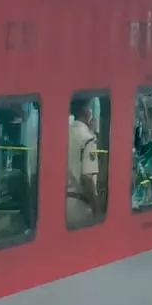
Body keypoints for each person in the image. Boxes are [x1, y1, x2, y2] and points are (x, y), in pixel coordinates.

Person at [66, 96, 103, 228]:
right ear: (86, 111)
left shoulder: (65, 133)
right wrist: (96, 208)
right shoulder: (88, 139)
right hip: (79, 206)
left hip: (60, 204)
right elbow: (87, 177)